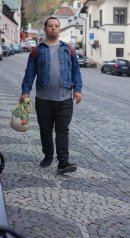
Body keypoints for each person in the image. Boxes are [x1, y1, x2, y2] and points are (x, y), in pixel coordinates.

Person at [20, 17, 83, 173]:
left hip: (65, 98)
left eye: (56, 26)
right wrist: (25, 91)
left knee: (62, 130)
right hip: (43, 99)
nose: (53, 28)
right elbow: (29, 73)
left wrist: (77, 89)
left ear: (59, 29)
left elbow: (76, 70)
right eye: (50, 26)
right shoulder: (37, 50)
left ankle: (63, 161)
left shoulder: (69, 49)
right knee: (46, 130)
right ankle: (48, 155)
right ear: (45, 29)